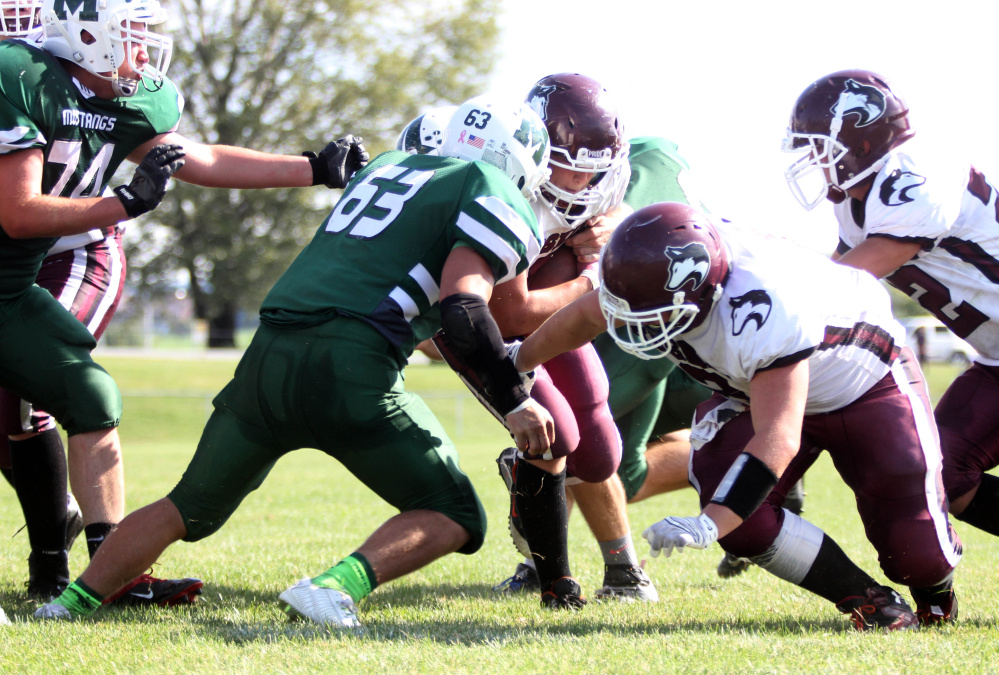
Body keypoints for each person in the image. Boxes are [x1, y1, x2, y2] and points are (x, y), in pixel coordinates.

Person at [36, 95, 558, 625]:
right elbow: (464, 306)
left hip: (269, 351)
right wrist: (515, 400)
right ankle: (334, 587)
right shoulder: (485, 187)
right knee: (457, 512)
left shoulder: (387, 167)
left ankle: (68, 605)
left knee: (184, 505)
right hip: (351, 363)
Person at [0, 0, 367, 605]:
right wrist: (126, 201)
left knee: (77, 393)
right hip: (24, 251)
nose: (145, 54)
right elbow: (17, 213)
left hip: (51, 262)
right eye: (132, 38)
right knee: (21, 401)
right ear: (87, 35)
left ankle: (105, 572)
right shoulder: (21, 76)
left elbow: (199, 158)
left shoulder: (128, 96)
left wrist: (313, 168)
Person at [510, 201, 963, 630]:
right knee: (741, 517)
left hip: (864, 381)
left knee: (916, 556)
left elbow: (779, 435)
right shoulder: (647, 271)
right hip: (754, 389)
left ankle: (934, 590)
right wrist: (514, 366)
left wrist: (710, 525)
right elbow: (581, 319)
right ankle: (867, 599)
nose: (641, 326)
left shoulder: (766, 304)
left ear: (709, 290)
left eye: (656, 315)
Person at [781, 68, 999, 558]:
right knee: (947, 471)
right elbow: (834, 278)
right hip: (995, 360)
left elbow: (848, 281)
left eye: (823, 146)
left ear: (862, 141)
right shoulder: (857, 202)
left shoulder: (917, 173)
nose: (816, 160)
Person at [0, 0, 86, 601]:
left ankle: (61, 566)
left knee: (30, 394)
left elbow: (191, 153)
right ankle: (60, 516)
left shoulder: (67, 69)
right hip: (9, 251)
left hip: (75, 245)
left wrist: (308, 169)